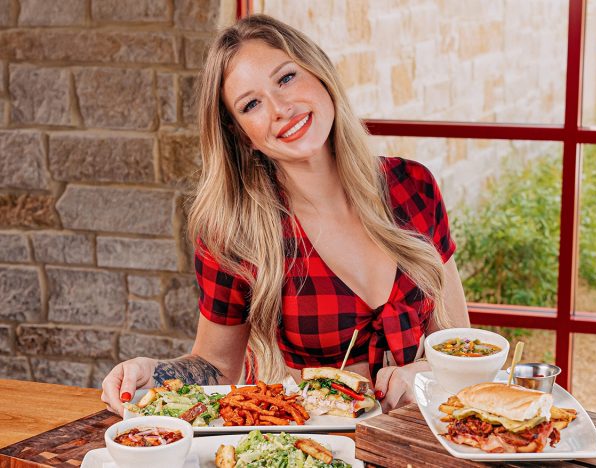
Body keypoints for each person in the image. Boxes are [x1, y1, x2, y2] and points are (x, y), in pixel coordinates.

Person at [101, 14, 469, 416]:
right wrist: (151, 372)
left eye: (287, 78)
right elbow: (217, 366)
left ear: (318, 72)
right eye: (252, 104)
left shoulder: (412, 185)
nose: (280, 108)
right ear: (242, 133)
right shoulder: (234, 231)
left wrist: (425, 374)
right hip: (313, 449)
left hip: (425, 442)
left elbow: (459, 346)